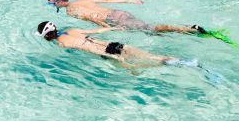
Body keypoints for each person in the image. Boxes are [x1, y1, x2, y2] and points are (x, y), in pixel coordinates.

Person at [47, 0, 236, 46]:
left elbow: (92, 18)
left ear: (58, 2)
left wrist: (108, 28)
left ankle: (191, 29)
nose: (52, 6)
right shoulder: (82, 0)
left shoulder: (72, 10)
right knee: (151, 31)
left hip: (114, 19)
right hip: (119, 12)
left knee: (151, 29)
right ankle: (187, 32)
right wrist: (131, 1)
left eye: (52, 3)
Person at [36, 21, 221, 82]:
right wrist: (112, 28)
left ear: (47, 36)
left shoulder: (62, 43)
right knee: (152, 57)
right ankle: (190, 63)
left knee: (144, 67)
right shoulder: (72, 31)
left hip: (109, 53)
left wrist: (121, 62)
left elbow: (89, 49)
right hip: (116, 43)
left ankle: (185, 65)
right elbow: (97, 32)